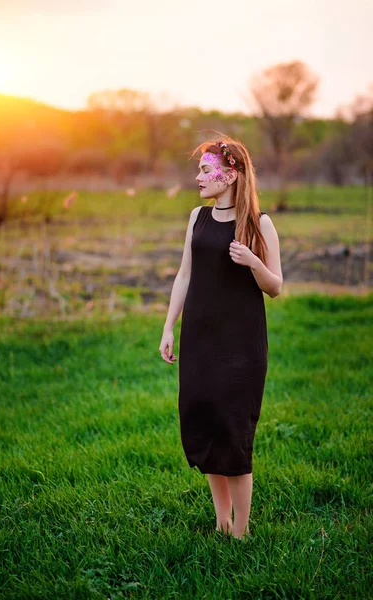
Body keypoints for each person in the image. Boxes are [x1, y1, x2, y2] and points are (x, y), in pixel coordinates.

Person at [159, 136, 283, 540]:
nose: (198, 177)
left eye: (205, 169)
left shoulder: (259, 223)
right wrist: (168, 326)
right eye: (199, 169)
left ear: (230, 175)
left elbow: (276, 286)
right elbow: (185, 275)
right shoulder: (197, 217)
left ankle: (242, 534)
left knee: (234, 434)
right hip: (200, 340)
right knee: (208, 427)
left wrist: (252, 261)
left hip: (241, 347)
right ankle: (221, 522)